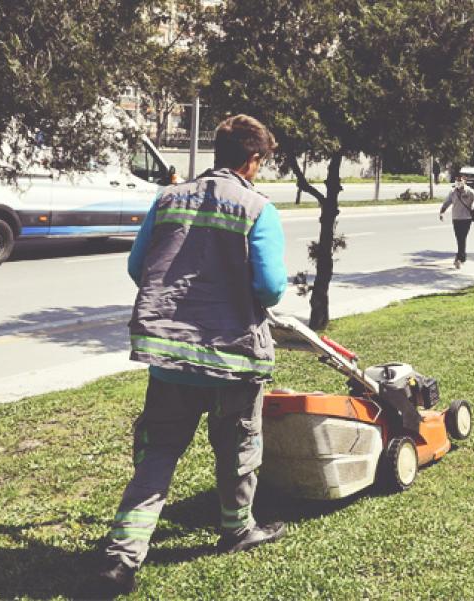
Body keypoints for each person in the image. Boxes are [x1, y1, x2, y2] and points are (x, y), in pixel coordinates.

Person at [98, 114, 288, 594]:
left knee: (159, 452)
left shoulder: (165, 200)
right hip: (233, 359)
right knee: (238, 445)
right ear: (253, 159)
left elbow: (139, 266)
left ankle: (121, 558)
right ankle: (237, 528)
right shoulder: (258, 209)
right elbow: (269, 288)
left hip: (171, 360)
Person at [439, 175, 474, 268]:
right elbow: (447, 202)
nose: (458, 182)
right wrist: (442, 212)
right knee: (460, 238)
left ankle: (459, 258)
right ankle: (462, 257)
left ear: (465, 181)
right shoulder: (453, 192)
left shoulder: (469, 191)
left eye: (460, 180)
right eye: (457, 180)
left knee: (462, 238)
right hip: (456, 218)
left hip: (466, 219)